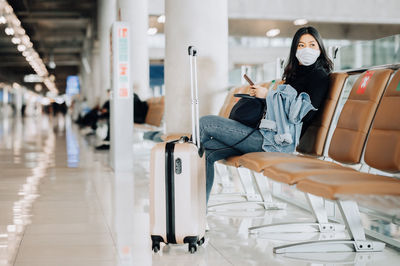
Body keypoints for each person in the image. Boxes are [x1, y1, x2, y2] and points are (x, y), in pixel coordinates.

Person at [200, 26, 333, 203]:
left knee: (205, 123)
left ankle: (186, 190)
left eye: (312, 44)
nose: (306, 49)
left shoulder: (319, 76)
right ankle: (198, 213)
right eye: (301, 45)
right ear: (295, 50)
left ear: (320, 49)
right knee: (205, 152)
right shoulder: (294, 74)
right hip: (265, 134)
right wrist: (265, 97)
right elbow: (279, 108)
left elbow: (300, 115)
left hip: (276, 143)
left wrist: (268, 95)